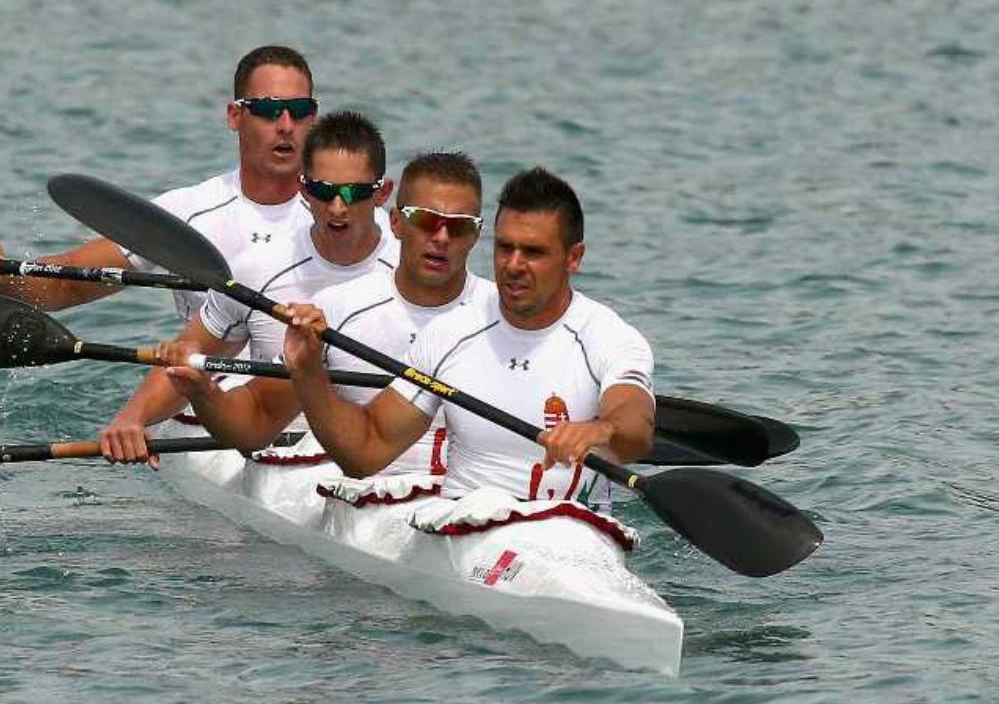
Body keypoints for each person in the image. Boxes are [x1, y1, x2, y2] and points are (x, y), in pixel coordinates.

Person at [279, 167, 654, 511]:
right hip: (467, 527)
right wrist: (308, 372)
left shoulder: (608, 337)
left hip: (574, 533)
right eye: (505, 247)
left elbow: (635, 426)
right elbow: (365, 451)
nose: (513, 265)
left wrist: (602, 429)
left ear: (574, 258)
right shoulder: (450, 334)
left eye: (534, 252)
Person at [162, 151, 495, 477]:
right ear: (395, 222)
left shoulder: (501, 316)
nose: (441, 237)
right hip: (368, 491)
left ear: (477, 234)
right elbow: (256, 423)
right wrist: (203, 393)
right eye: (425, 220)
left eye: (459, 226)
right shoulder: (338, 311)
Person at [100, 110, 400, 466]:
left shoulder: (407, 269)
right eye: (323, 190)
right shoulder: (257, 270)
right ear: (304, 189)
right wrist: (132, 419)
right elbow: (191, 353)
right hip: (279, 446)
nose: (337, 207)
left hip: (385, 443)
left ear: (382, 194)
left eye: (354, 193)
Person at [0, 46, 319, 321]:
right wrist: (2, 272)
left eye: (299, 111)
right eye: (269, 110)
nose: (286, 124)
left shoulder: (352, 212)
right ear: (235, 116)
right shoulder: (188, 211)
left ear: (314, 118)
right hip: (207, 408)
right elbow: (66, 286)